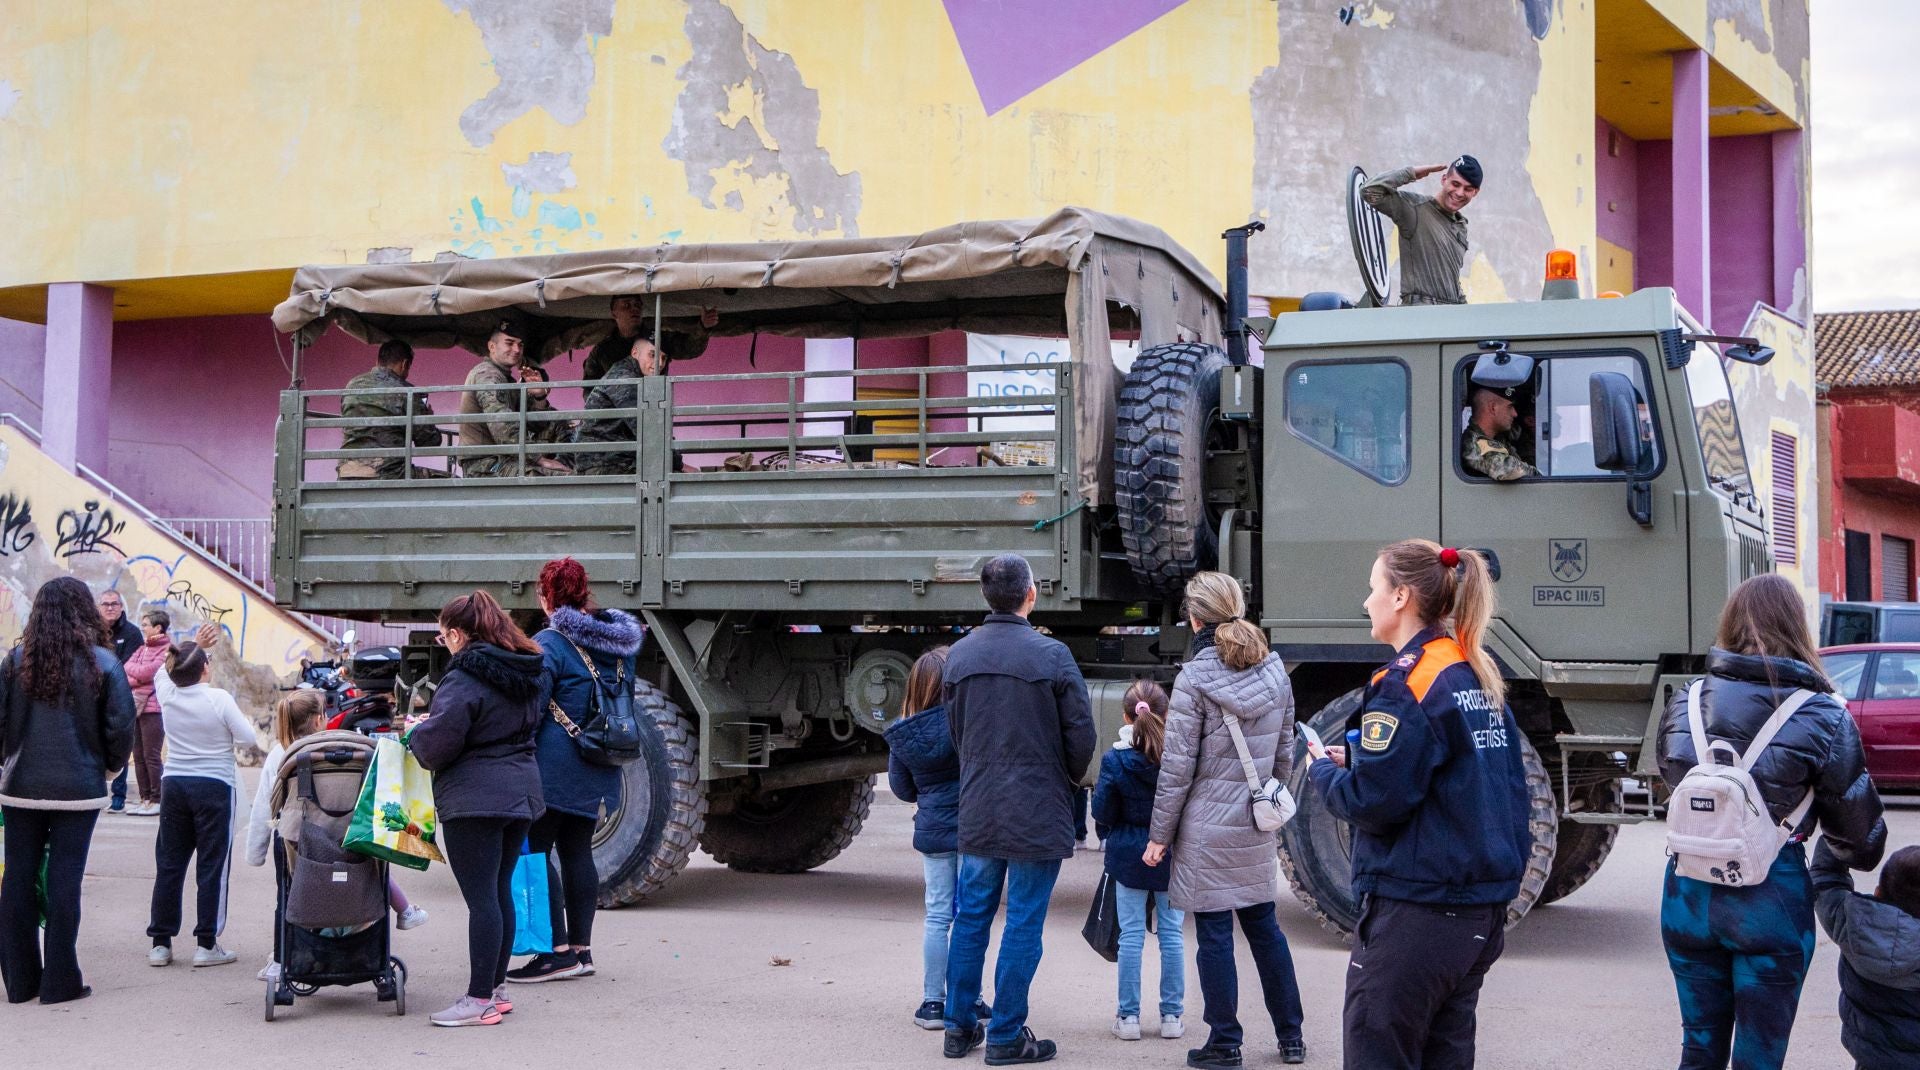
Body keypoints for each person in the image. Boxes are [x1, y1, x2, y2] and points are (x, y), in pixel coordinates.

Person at [1306, 540, 1533, 1070]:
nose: (1366, 602)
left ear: (1402, 596)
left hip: (1418, 913)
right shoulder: (1469, 668)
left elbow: (1373, 801)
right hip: (1475, 912)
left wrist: (1321, 771)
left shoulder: (1408, 683)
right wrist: (1363, 754)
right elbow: (1475, 776)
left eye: (1373, 588)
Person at [1656, 573, 1887, 1070]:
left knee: (1698, 1048)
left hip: (1686, 893)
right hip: (1770, 900)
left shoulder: (1686, 700)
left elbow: (1671, 787)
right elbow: (1862, 843)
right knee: (1760, 1057)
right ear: (1797, 628)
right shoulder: (1822, 715)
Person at [940, 553, 1094, 1065]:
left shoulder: (958, 658)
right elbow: (1081, 737)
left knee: (971, 920)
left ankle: (958, 1028)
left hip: (980, 805)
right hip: (1036, 807)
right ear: (1031, 594)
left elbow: (956, 733)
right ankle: (1006, 1035)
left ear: (986, 597)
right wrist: (1066, 781)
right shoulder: (1052, 656)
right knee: (1023, 922)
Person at [1146, 572, 1304, 1068]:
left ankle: (1225, 1042)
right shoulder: (1276, 672)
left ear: (1194, 618)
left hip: (1207, 830)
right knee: (1265, 930)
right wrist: (1263, 806)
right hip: (1255, 825)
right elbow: (1284, 755)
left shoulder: (1194, 678)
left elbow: (1177, 769)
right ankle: (1291, 1037)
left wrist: (1158, 837)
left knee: (1214, 936)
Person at [406, 590, 548, 1028]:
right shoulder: (524, 669)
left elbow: (441, 741)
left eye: (444, 635)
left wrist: (416, 735)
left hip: (475, 798)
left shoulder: (465, 677)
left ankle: (479, 998)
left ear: (456, 634)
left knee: (482, 900)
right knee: (499, 892)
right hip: (519, 793)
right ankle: (496, 988)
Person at [0, 576, 137, 1004]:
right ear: (86, 611)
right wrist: (111, 768)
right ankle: (61, 982)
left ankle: (21, 981)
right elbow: (120, 726)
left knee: (17, 879)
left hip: (19, 785)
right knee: (65, 880)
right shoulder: (104, 663)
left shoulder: (16, 659)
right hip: (79, 789)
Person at [506, 557, 642, 984]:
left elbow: (529, 709)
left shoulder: (549, 644)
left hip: (554, 768)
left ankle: (558, 951)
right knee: (577, 851)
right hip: (600, 763)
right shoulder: (619, 645)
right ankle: (581, 951)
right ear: (585, 593)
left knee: (531, 848)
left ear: (546, 596)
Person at [244, 689, 427, 982]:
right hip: (352, 838)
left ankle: (282, 960)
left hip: (302, 842)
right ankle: (373, 945)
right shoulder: (351, 750)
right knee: (370, 876)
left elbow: (268, 804)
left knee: (288, 896)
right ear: (320, 719)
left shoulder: (284, 754)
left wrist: (256, 852)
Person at [884, 645, 990, 1032]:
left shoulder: (903, 733)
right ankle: (971, 999)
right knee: (970, 917)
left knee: (937, 915)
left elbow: (901, 789)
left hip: (932, 832)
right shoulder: (965, 722)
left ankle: (932, 1002)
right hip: (973, 829)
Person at [147, 624, 257, 969]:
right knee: (212, 865)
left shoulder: (168, 693)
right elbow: (248, 737)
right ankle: (206, 943)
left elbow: (162, 671)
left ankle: (161, 944)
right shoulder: (218, 698)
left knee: (169, 864)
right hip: (214, 785)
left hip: (175, 784)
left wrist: (195, 647)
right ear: (205, 669)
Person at [1093, 678, 1185, 1043]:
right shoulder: (1178, 756)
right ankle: (1172, 1017)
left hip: (1128, 853)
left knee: (1131, 936)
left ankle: (1128, 1017)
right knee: (1172, 935)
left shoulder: (1115, 758)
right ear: (1167, 713)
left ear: (1125, 715)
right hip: (1172, 853)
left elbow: (1102, 811)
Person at [1810, 835, 1920, 1070]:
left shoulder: (1851, 923)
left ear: (1878, 892)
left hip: (1871, 1058)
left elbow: (1825, 878)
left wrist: (1843, 826)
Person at [1360, 156, 1482, 306]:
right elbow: (1369, 191)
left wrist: (1468, 315)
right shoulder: (1415, 209)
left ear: (1475, 192)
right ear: (1444, 180)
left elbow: (1450, 281)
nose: (1459, 193)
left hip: (1450, 318)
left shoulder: (1460, 226)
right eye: (1455, 184)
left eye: (1468, 189)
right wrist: (1411, 173)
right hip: (1420, 316)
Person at [460, 320, 569, 478]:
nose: (517, 350)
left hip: (502, 461)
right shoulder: (487, 375)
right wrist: (539, 460)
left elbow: (533, 425)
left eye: (520, 344)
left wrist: (539, 396)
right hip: (484, 464)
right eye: (509, 343)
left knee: (566, 475)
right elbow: (502, 426)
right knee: (563, 479)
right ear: (492, 346)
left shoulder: (505, 379)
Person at [338, 339, 446, 480]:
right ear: (404, 364)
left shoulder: (351, 385)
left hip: (348, 472)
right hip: (389, 474)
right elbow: (430, 443)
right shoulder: (407, 392)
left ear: (378, 361)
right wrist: (428, 419)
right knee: (454, 482)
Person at [572, 336, 660, 476]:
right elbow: (645, 428)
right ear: (635, 352)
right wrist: (677, 462)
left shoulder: (628, 375)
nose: (659, 363)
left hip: (608, 460)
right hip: (604, 463)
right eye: (653, 355)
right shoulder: (624, 379)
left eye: (664, 358)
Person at [579, 295, 716, 382]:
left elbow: (689, 348)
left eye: (637, 305)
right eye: (626, 305)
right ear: (614, 312)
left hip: (651, 411)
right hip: (617, 418)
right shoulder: (603, 349)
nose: (634, 309)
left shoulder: (657, 338)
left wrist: (703, 327)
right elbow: (590, 386)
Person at [120, 607, 174, 816]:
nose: (142, 628)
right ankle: (144, 798)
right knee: (138, 755)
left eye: (145, 624)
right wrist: (139, 678)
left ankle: (157, 798)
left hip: (154, 709)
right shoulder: (143, 648)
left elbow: (149, 673)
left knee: (152, 756)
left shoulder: (167, 650)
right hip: (136, 707)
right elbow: (128, 667)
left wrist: (138, 677)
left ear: (158, 627)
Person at [99, 588, 141, 813]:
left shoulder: (132, 633)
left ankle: (118, 796)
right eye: (105, 604)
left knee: (120, 744)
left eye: (114, 604)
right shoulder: (92, 631)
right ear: (99, 607)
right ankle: (96, 792)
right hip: (96, 696)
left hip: (122, 697)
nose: (110, 608)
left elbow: (130, 665)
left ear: (121, 607)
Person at [1461, 386, 1536, 481]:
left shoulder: (1499, 439)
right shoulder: (1473, 443)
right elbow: (1509, 469)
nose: (1515, 413)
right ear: (1493, 408)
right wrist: (1541, 476)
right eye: (1510, 407)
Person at [519, 365, 573, 474]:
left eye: (536, 387)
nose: (530, 393)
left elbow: (565, 458)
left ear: (547, 390)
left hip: (544, 478)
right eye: (526, 388)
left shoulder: (558, 420)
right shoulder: (510, 414)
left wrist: (545, 467)